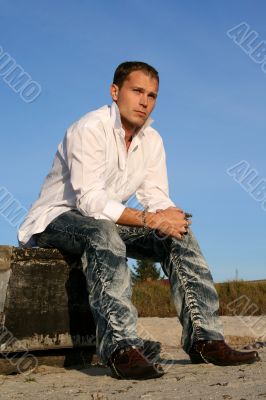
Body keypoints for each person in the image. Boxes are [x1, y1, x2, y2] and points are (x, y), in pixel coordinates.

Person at [18, 61, 260, 380]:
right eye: (137, 91)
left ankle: (206, 340)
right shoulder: (89, 128)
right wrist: (150, 218)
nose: (145, 101)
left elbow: (156, 196)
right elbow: (90, 202)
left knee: (179, 236)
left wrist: (171, 220)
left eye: (152, 95)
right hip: (56, 219)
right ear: (115, 92)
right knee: (103, 232)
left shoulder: (153, 141)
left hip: (106, 221)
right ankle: (121, 347)